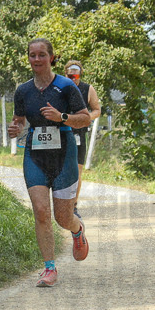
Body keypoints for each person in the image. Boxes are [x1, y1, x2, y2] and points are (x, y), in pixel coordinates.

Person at [8, 39, 92, 288]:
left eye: (42, 55)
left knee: (62, 218)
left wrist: (62, 117)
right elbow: (19, 120)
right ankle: (49, 268)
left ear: (52, 58)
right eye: (32, 55)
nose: (36, 60)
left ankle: (77, 230)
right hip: (35, 153)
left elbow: (85, 119)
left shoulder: (66, 87)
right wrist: (16, 128)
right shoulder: (23, 90)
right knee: (41, 211)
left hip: (64, 153)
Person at [64, 60, 101, 218]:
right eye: (70, 74)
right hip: (62, 133)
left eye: (76, 74)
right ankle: (61, 204)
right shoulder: (59, 87)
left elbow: (97, 109)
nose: (73, 77)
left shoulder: (88, 89)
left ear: (80, 74)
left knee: (77, 172)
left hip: (79, 135)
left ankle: (73, 206)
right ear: (65, 73)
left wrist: (87, 118)